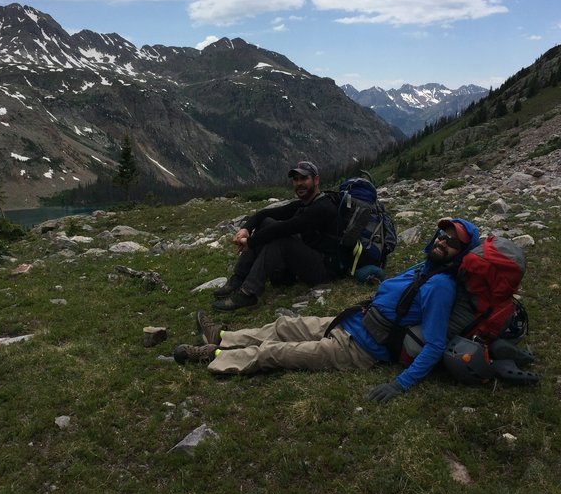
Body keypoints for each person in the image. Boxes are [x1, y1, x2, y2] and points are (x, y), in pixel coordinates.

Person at [173, 218, 480, 402]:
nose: (443, 241)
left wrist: (399, 385)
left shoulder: (441, 286)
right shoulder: (424, 267)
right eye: (442, 234)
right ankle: (223, 335)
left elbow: (436, 343)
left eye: (453, 241)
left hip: (361, 349)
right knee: (282, 325)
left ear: (462, 252)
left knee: (276, 352)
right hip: (351, 320)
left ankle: (213, 355)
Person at [211, 160, 341, 311]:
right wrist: (246, 228)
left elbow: (284, 229)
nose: (299, 183)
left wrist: (250, 242)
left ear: (316, 180)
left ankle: (248, 293)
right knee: (267, 222)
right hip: (311, 256)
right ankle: (239, 278)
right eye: (296, 179)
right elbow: (266, 214)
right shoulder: (305, 204)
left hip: (325, 269)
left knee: (280, 240)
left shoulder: (322, 208)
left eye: (304, 178)